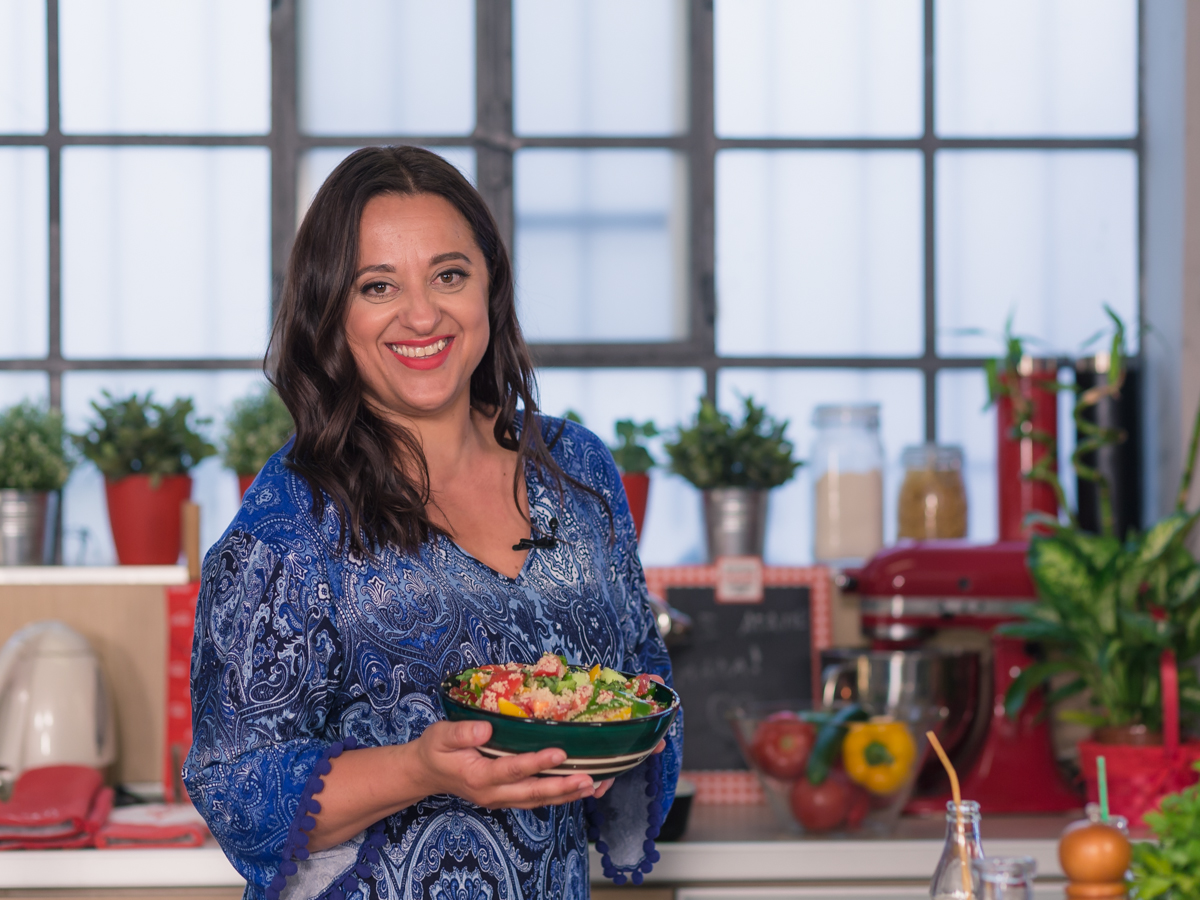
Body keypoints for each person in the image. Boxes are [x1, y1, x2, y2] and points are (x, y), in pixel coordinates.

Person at [184, 145, 682, 900]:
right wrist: (419, 768)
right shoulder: (290, 522)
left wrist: (613, 732)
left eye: (449, 275)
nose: (422, 315)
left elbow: (640, 671)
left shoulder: (576, 470)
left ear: (491, 286)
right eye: (377, 286)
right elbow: (235, 785)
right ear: (331, 310)